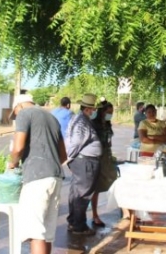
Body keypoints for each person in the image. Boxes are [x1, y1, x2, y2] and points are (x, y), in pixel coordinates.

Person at [9, 94, 67, 254]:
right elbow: (63, 155)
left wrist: (12, 164)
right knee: (46, 234)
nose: (16, 117)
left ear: (19, 106)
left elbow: (18, 148)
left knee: (35, 233)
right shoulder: (52, 118)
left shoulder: (24, 113)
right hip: (55, 177)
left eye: (15, 113)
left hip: (37, 179)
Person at [65, 93, 102, 236]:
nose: (95, 112)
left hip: (83, 160)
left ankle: (74, 222)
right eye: (94, 109)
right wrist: (70, 157)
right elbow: (76, 142)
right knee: (82, 194)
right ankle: (79, 226)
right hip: (85, 161)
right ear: (88, 109)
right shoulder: (81, 122)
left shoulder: (80, 119)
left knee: (77, 193)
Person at [90, 101, 117, 228]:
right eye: (108, 112)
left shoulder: (107, 123)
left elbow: (109, 140)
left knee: (114, 182)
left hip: (107, 156)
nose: (110, 115)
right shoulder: (93, 124)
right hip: (96, 157)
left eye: (112, 112)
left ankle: (124, 211)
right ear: (102, 111)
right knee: (95, 187)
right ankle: (94, 215)